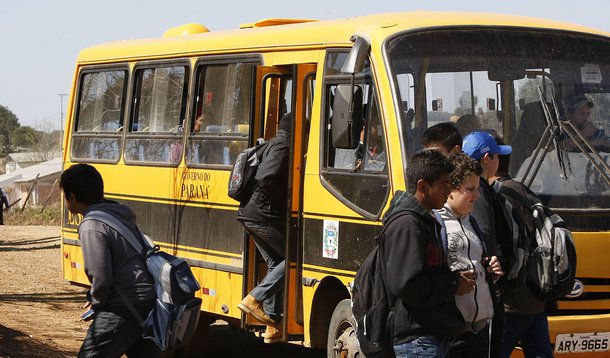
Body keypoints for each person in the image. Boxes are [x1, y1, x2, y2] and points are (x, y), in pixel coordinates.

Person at [59, 163, 160, 357]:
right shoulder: (118, 212)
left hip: (123, 308)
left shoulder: (91, 224)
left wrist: (95, 299)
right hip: (148, 302)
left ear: (71, 197)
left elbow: (101, 276)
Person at [381, 150, 475, 358]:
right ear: (423, 186)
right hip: (416, 339)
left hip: (431, 335)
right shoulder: (407, 225)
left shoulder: (426, 221)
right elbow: (406, 284)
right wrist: (453, 285)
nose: (449, 191)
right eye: (443, 185)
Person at [436, 153, 504, 357]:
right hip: (450, 333)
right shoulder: (435, 224)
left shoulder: (470, 221)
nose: (477, 196)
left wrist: (488, 268)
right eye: (470, 190)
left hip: (478, 330)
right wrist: (454, 282)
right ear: (450, 190)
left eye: (478, 189)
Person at [493, 144, 554, 358]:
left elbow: (512, 246)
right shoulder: (523, 190)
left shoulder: (501, 195)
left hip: (513, 301)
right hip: (535, 295)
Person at [237, 114, 291, 344]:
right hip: (262, 214)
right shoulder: (283, 146)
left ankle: (272, 324)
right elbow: (266, 176)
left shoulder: (272, 143)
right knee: (293, 257)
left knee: (275, 261)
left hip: (251, 213)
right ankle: (253, 299)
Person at [462, 130, 513, 357]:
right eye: (496, 156)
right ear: (486, 159)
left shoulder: (480, 187)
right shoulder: (480, 191)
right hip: (487, 286)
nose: (499, 160)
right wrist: (493, 272)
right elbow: (485, 234)